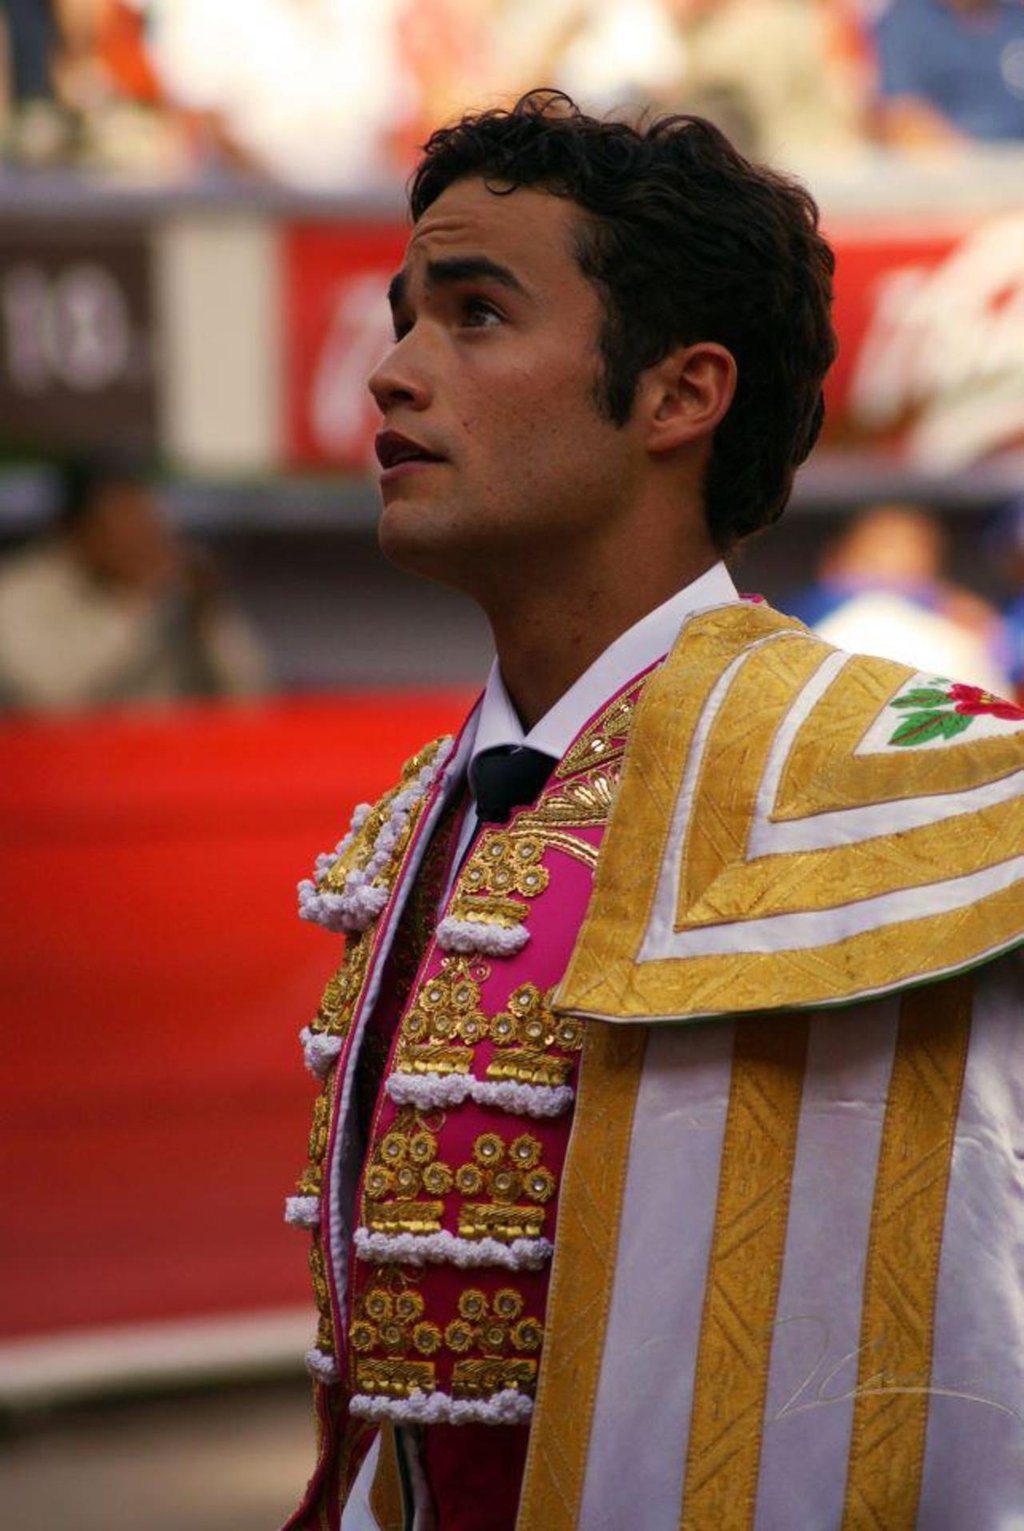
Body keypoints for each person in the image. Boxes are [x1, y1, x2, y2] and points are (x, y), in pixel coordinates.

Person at [283, 91, 1024, 1530]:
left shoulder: (903, 792)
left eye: (477, 313)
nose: (392, 373)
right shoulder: (424, 821)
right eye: (403, 317)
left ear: (682, 394)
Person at [0, 459, 270, 711]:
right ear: (73, 530)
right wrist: (136, 607)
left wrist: (207, 616)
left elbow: (250, 696)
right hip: (61, 757)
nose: (137, 541)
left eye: (145, 524)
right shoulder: (15, 593)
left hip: (169, 753)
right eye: (119, 525)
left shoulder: (172, 587)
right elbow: (49, 700)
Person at [789, 500, 1012, 694]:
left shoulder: (956, 614)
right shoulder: (816, 607)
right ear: (837, 558)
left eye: (911, 548)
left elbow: (1004, 662)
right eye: (882, 546)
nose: (894, 561)